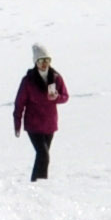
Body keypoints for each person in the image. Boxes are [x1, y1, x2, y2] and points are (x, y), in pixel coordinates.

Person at [12, 45, 68, 180]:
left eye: (47, 61)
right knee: (43, 155)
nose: (44, 64)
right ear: (35, 62)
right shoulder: (28, 81)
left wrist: (57, 98)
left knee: (43, 156)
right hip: (34, 125)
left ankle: (38, 184)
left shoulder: (55, 77)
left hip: (49, 124)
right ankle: (38, 185)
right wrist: (17, 123)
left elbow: (65, 96)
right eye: (41, 61)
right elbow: (19, 103)